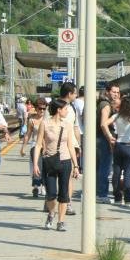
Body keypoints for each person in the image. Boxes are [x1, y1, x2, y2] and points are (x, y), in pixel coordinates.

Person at [33, 98, 79, 232]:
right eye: (65, 109)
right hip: (49, 161)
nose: (67, 111)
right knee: (51, 194)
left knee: (64, 193)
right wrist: (36, 163)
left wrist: (76, 166)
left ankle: (61, 221)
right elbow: (38, 144)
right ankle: (51, 213)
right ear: (59, 110)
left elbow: (71, 145)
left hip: (65, 162)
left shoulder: (68, 124)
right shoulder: (45, 124)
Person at [111, 96, 130, 206]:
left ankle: (117, 197)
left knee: (116, 172)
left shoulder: (116, 116)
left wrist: (110, 136)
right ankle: (128, 199)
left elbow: (104, 123)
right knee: (128, 173)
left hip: (118, 145)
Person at [58, 82, 81, 216]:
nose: (76, 95)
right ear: (69, 94)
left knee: (68, 176)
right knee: (59, 176)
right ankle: (56, 201)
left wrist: (78, 145)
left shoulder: (72, 108)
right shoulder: (56, 107)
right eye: (75, 93)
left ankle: (67, 203)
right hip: (57, 145)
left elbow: (75, 127)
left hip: (69, 145)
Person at [96, 82, 120, 203]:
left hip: (98, 139)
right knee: (104, 168)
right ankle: (102, 194)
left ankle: (97, 192)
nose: (116, 94)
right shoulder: (106, 105)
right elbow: (103, 124)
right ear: (107, 92)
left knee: (98, 167)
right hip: (103, 140)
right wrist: (110, 137)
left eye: (117, 92)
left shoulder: (101, 103)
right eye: (113, 92)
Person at [20, 97, 47, 198]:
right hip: (35, 145)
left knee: (45, 166)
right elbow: (28, 134)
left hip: (47, 146)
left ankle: (43, 186)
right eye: (40, 108)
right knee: (37, 164)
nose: (42, 111)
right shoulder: (32, 120)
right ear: (36, 108)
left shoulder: (48, 119)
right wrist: (23, 147)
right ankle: (36, 185)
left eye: (44, 108)